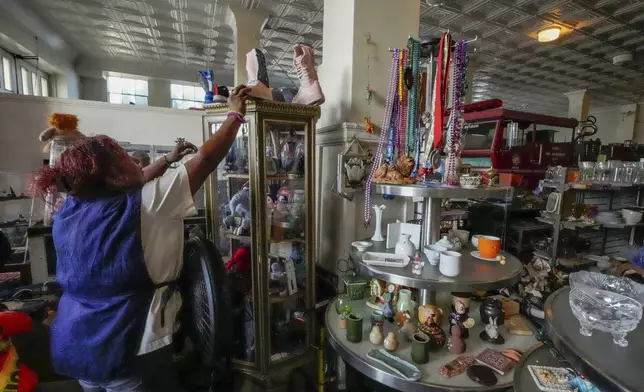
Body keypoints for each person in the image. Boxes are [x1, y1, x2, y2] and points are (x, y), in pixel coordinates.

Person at [32, 85, 251, 392]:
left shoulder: (71, 207)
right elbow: (207, 158)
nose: (131, 160)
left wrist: (167, 159)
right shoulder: (148, 204)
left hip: (77, 343)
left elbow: (138, 179)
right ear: (112, 174)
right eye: (123, 156)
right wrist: (234, 115)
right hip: (128, 343)